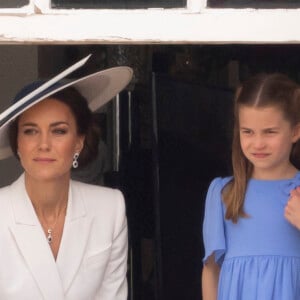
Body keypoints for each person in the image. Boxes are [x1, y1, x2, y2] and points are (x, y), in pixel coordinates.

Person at [0, 55, 133, 300]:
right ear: (17, 143)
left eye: (58, 131)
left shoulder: (109, 208)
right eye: (30, 131)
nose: (43, 144)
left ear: (78, 142)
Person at [202, 73, 300, 299]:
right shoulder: (224, 192)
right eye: (248, 132)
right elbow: (211, 270)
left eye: (270, 132)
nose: (258, 143)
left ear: (295, 131)